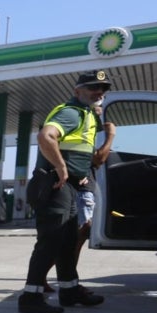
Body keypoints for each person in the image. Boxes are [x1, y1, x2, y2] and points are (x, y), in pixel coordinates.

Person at [18, 70, 112, 313]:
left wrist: (75, 171)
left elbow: (79, 152)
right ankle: (30, 297)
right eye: (92, 88)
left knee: (67, 241)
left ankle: (69, 291)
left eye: (102, 89)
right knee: (49, 242)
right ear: (77, 91)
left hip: (69, 187)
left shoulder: (87, 114)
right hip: (55, 187)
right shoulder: (71, 113)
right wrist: (61, 167)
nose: (98, 92)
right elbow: (45, 136)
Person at [41, 102, 115, 292]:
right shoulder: (81, 124)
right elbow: (99, 159)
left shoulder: (88, 128)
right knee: (74, 236)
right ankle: (60, 281)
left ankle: (65, 282)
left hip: (79, 184)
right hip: (80, 186)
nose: (99, 110)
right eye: (98, 107)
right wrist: (111, 136)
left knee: (72, 237)